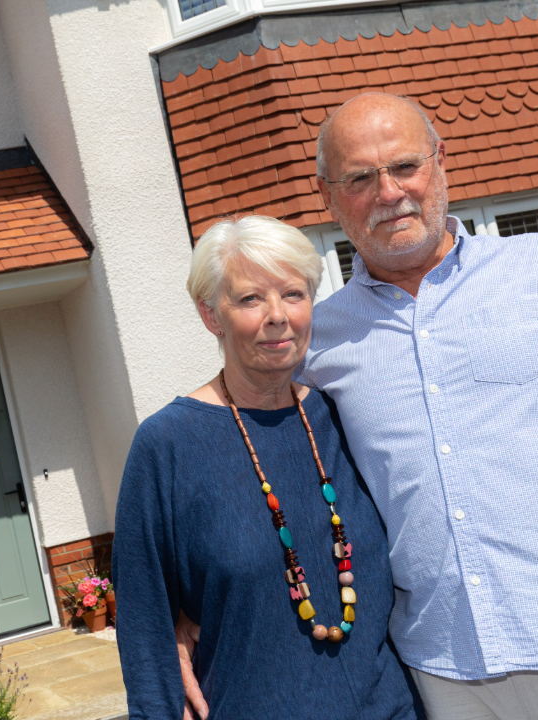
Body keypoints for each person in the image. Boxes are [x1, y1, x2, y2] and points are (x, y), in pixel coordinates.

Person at [174, 93, 538, 719]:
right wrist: (187, 606)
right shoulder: (319, 342)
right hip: (448, 682)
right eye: (360, 178)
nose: (389, 192)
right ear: (327, 195)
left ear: (441, 161)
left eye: (405, 166)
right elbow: (244, 445)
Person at [111, 215, 419, 720]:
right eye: (250, 299)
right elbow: (145, 623)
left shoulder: (344, 412)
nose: (277, 315)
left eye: (293, 294)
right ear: (211, 315)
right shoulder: (167, 445)